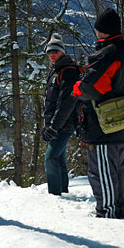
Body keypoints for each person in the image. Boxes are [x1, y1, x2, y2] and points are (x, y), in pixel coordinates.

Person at [73, 8, 124, 219]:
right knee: (117, 168)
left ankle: (107, 213)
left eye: (97, 29)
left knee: (101, 172)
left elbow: (93, 87)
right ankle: (118, 208)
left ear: (103, 31)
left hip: (104, 124)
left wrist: (77, 88)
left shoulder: (108, 53)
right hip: (122, 119)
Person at [38, 39, 81, 195]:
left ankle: (55, 195)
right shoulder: (57, 70)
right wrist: (49, 124)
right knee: (59, 159)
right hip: (58, 123)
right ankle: (63, 193)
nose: (52, 54)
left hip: (63, 124)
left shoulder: (68, 71)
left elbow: (66, 103)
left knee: (50, 158)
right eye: (49, 52)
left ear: (63, 51)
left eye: (55, 51)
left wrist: (54, 126)